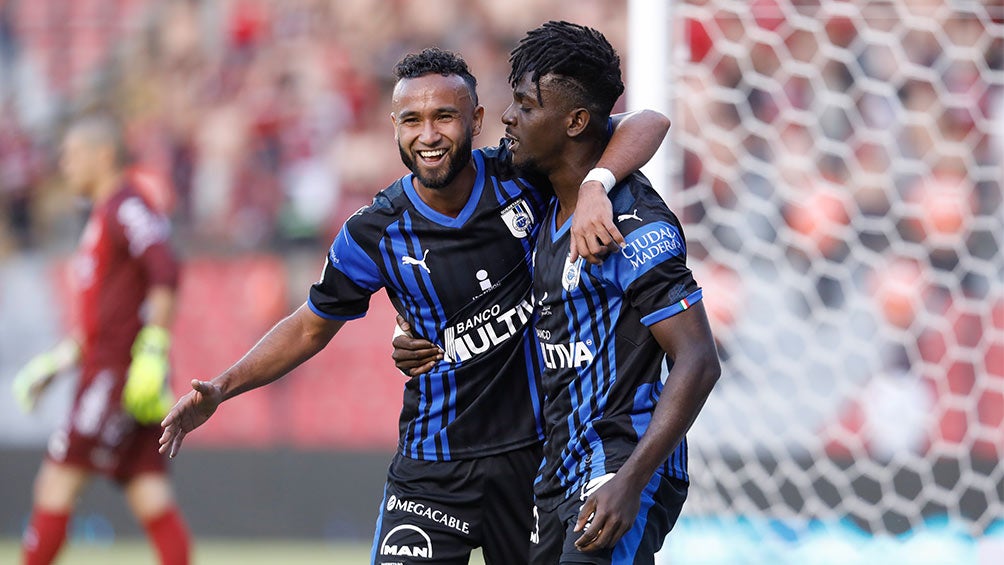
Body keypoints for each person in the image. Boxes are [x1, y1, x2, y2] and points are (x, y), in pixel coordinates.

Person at [159, 47, 669, 564]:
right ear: (394, 126)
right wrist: (222, 387)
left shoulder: (523, 178)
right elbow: (310, 327)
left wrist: (595, 185)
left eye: (444, 116)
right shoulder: (373, 231)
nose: (428, 135)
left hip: (533, 461)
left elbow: (647, 121)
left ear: (476, 119)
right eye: (412, 120)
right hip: (432, 468)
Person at [504, 22, 721, 564]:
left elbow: (698, 359)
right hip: (557, 468)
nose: (509, 117)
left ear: (575, 121)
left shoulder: (633, 226)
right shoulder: (542, 195)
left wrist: (629, 480)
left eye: (526, 107)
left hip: (618, 466)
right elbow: (639, 123)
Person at [12, 115, 190, 565]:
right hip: (114, 370)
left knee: (55, 483)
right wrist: (54, 365)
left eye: (72, 155)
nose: (64, 165)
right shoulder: (101, 217)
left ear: (103, 155)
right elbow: (103, 318)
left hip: (116, 375)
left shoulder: (126, 206)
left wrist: (152, 350)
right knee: (148, 492)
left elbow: (165, 269)